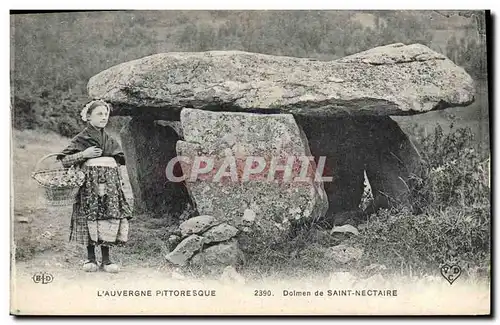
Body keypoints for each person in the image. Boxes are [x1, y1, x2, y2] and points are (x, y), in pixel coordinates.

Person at [57, 100, 132, 273]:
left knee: (107, 217)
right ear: (88, 117)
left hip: (110, 187)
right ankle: (90, 258)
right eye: (99, 114)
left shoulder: (109, 140)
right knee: (89, 216)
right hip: (88, 186)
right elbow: (64, 161)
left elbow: (120, 159)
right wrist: (84, 154)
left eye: (106, 114)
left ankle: (106, 260)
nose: (104, 117)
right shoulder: (81, 139)